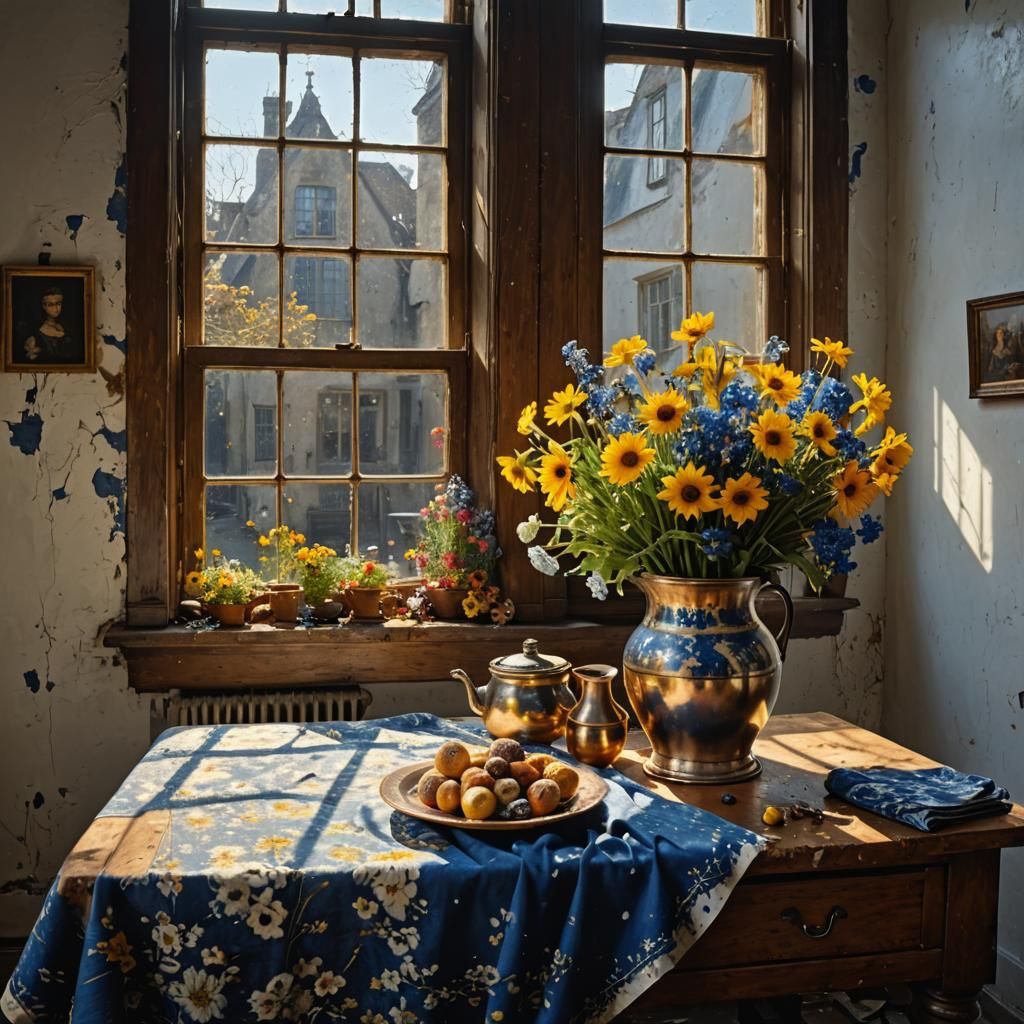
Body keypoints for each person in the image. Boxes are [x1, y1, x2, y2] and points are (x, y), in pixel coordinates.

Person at [19, 286, 83, 365]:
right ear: (43, 306)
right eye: (51, 305)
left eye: (58, 304)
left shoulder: (67, 327)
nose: (56, 308)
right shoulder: (36, 333)